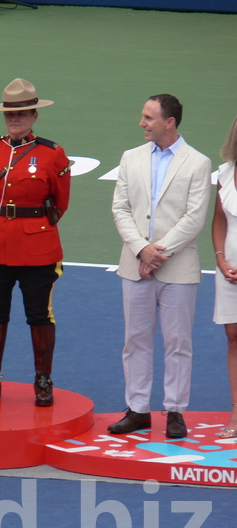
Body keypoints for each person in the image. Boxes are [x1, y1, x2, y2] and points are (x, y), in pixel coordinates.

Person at [108, 94, 211, 439]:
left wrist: (156, 253)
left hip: (176, 269)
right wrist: (141, 250)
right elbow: (120, 208)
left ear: (170, 122)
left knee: (177, 342)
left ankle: (175, 412)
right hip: (136, 265)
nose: (142, 123)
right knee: (135, 339)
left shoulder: (197, 162)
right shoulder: (130, 158)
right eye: (143, 116)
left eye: (149, 117)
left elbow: (195, 217)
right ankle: (137, 410)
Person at [0, 78, 70, 408]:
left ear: (34, 115)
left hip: (37, 247)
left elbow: (60, 203)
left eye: (23, 113)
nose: (15, 119)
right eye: (10, 113)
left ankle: (42, 379)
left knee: (39, 315)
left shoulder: (52, 154)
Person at [211, 116, 237, 439]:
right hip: (229, 272)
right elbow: (219, 222)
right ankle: (236, 411)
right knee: (234, 338)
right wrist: (220, 259)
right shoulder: (226, 174)